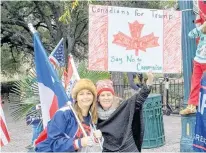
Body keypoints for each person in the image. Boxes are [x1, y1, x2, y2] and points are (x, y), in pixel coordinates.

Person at [35, 79, 102, 152]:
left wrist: (96, 139)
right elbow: (54, 143)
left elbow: (87, 144)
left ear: (93, 97)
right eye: (81, 94)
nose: (85, 97)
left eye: (89, 93)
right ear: (76, 97)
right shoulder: (63, 114)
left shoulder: (91, 116)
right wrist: (79, 143)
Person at [96, 72, 154, 152]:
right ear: (98, 99)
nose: (106, 98)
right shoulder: (94, 116)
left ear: (113, 96)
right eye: (102, 95)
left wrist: (149, 80)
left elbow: (139, 99)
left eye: (108, 95)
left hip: (128, 148)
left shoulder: (123, 107)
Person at [180, 21, 206, 115]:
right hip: (198, 61)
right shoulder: (203, 29)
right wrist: (201, 27)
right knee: (195, 84)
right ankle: (191, 106)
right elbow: (190, 34)